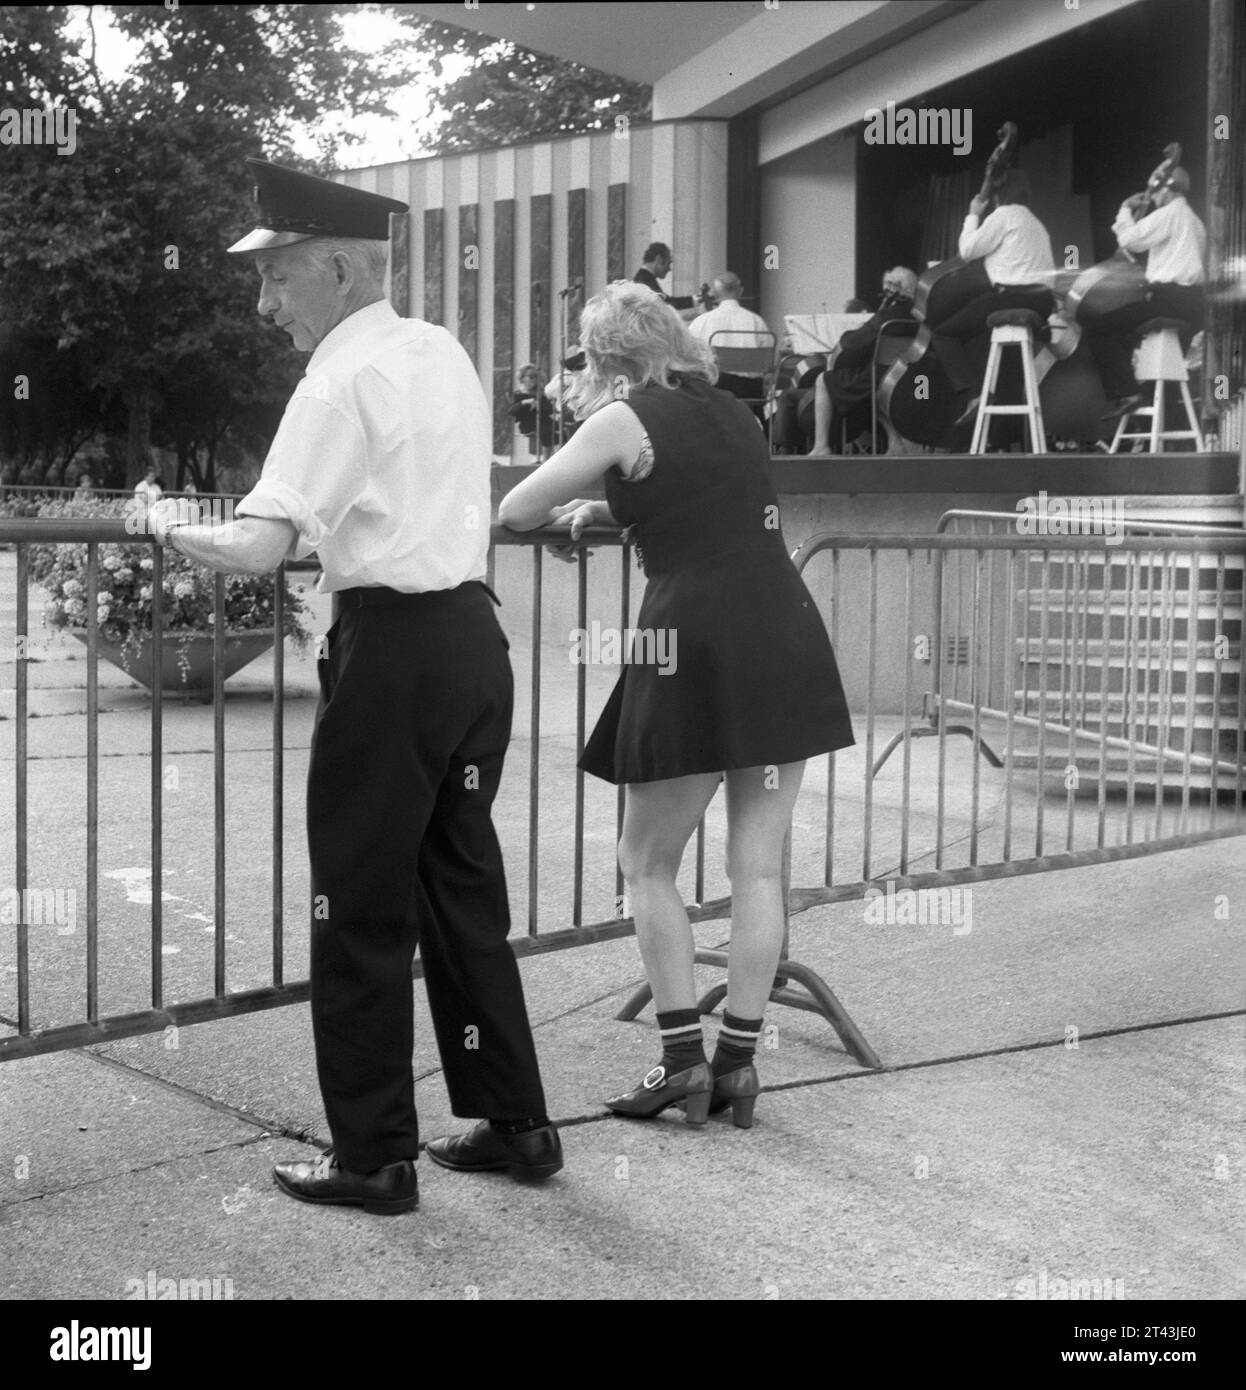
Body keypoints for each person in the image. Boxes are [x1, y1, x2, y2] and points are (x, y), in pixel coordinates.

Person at [148, 157, 561, 1215]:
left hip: (393, 651)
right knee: (461, 887)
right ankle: (518, 1120)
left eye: (277, 276)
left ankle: (374, 1155)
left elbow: (254, 546)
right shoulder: (441, 352)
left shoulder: (337, 375)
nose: (264, 301)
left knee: (361, 905)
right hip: (472, 639)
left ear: (334, 266)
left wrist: (160, 522)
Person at [498, 282, 854, 1129]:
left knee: (647, 863)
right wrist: (616, 507)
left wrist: (587, 501)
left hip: (692, 643)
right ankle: (738, 1066)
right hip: (784, 635)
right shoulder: (738, 415)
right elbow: (708, 508)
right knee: (758, 868)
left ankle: (679, 1063)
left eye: (585, 358)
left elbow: (516, 510)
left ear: (609, 357)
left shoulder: (624, 418)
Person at [930, 169, 1056, 423]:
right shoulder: (1037, 224)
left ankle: (975, 395)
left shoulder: (1003, 215)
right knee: (988, 341)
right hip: (1043, 302)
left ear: (998, 195)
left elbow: (967, 251)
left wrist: (974, 214)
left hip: (1013, 297)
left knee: (943, 334)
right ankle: (1003, 430)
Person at [1083, 165, 1207, 416]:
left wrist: (1125, 208)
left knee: (1097, 328)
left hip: (1169, 299)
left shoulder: (1169, 214)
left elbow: (1131, 240)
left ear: (1167, 189)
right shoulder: (1195, 222)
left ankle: (1128, 393)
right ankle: (1163, 420)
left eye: (1157, 190)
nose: (1154, 197)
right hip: (1192, 304)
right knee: (1159, 369)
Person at [808, 266, 918, 455]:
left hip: (879, 378)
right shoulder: (919, 315)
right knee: (875, 393)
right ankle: (895, 442)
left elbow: (852, 346)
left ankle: (821, 446)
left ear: (893, 288)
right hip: (911, 378)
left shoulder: (886, 316)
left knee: (823, 380)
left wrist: (853, 332)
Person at [688, 271, 774, 415]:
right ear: (740, 291)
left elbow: (689, 357)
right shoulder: (757, 322)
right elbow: (769, 363)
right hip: (751, 392)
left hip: (713, 390)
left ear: (714, 294)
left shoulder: (701, 322)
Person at [632, 242, 700, 318]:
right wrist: (696, 299)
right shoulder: (644, 280)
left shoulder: (645, 277)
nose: (669, 269)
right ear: (658, 259)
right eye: (668, 263)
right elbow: (665, 304)